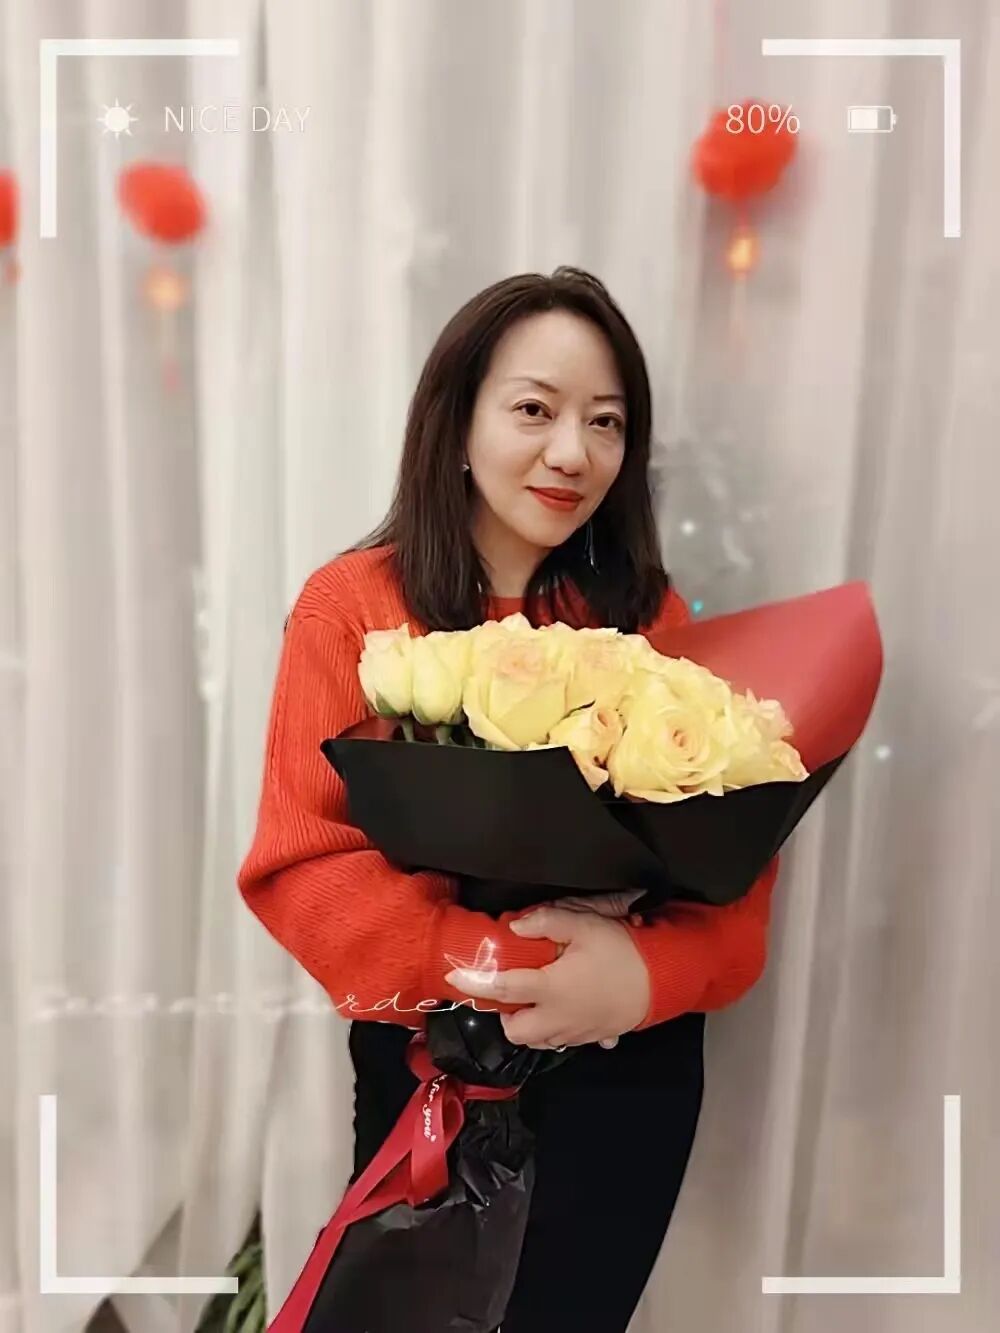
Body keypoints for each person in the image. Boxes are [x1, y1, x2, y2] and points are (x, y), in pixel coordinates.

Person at [238, 266, 779, 1332]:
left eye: (606, 421)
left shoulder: (648, 617)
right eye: (535, 409)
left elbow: (737, 881)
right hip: (433, 1063)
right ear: (457, 421)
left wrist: (641, 976)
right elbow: (302, 868)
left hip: (625, 1069)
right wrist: (515, 966)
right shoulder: (355, 605)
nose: (573, 451)